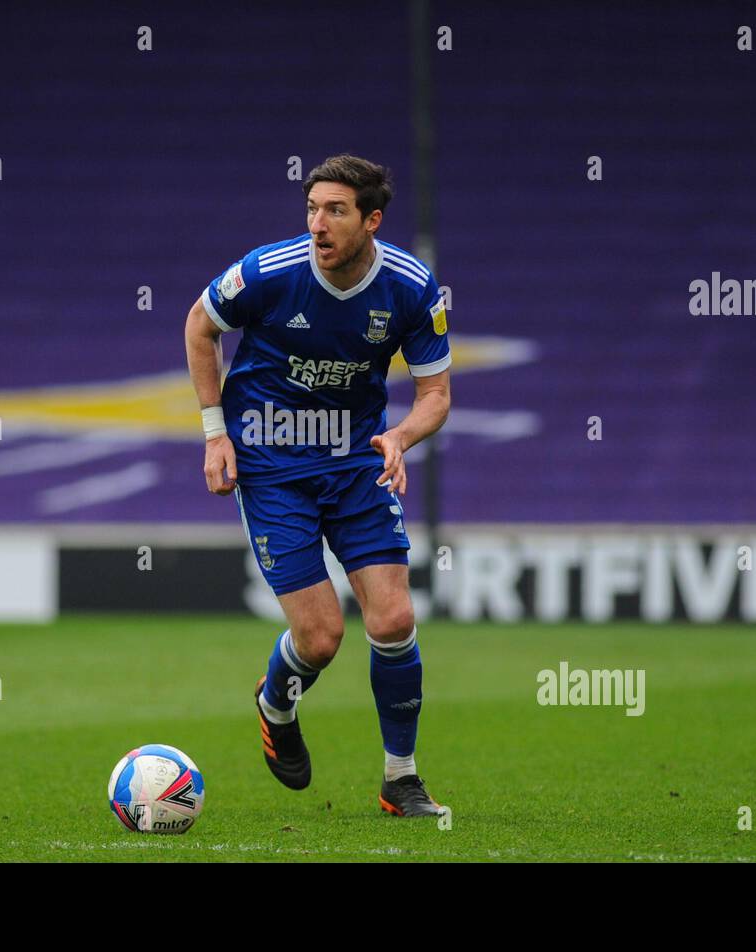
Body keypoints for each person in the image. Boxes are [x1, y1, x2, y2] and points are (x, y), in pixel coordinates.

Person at [183, 154, 451, 816]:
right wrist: (216, 433)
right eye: (312, 209)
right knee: (322, 638)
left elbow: (436, 392)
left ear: (371, 221)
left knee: (394, 619)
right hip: (274, 470)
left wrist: (400, 438)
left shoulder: (413, 289)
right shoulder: (269, 273)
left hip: (357, 464)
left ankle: (400, 779)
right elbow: (199, 324)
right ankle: (276, 704)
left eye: (335, 210)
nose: (318, 224)